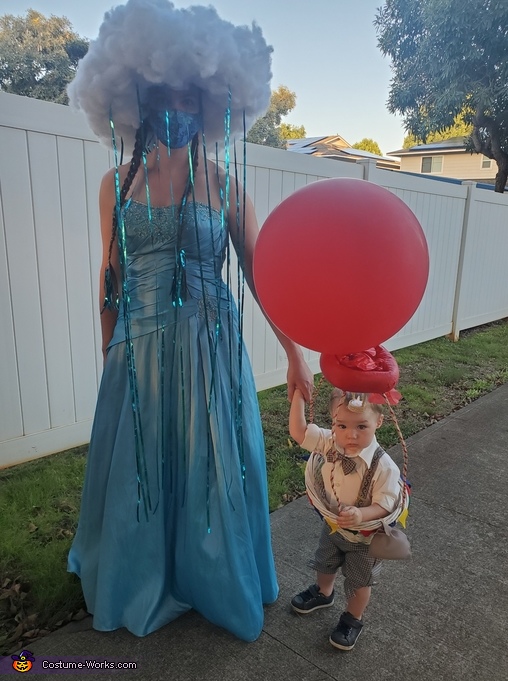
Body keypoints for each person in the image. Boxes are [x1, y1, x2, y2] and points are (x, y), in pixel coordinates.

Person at [66, 0, 314, 643]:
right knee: (139, 473)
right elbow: (109, 276)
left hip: (210, 346)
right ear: (136, 102)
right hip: (137, 352)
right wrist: (106, 353)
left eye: (187, 97)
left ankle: (211, 576)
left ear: (207, 105)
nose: (173, 110)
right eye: (160, 97)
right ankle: (137, 574)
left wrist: (294, 354)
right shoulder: (115, 185)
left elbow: (263, 275)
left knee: (209, 462)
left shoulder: (226, 185)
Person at [289, 387, 401, 650]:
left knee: (359, 582)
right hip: (333, 527)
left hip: (366, 538)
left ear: (379, 422)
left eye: (362, 426)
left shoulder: (383, 466)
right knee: (324, 562)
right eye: (342, 425)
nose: (351, 434)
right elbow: (299, 432)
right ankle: (324, 592)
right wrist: (298, 396)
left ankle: (353, 618)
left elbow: (386, 503)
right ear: (333, 422)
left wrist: (362, 513)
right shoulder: (329, 442)